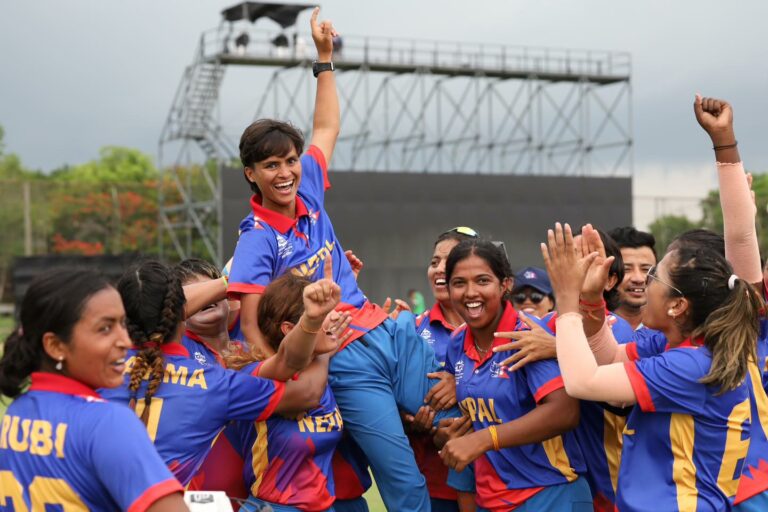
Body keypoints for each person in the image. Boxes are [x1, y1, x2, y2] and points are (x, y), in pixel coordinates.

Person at [226, 9, 469, 510]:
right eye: (270, 165)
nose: (285, 173)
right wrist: (282, 378)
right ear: (250, 173)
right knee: (404, 479)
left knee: (466, 422)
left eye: (290, 161)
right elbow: (250, 325)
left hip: (389, 332)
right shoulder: (256, 240)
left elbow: (327, 125)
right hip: (342, 359)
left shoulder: (308, 189)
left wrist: (323, 58)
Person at [544, 221, 761, 511]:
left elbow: (582, 382)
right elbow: (610, 358)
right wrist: (592, 299)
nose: (643, 282)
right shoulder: (677, 342)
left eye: (653, 275)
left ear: (678, 305)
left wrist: (566, 299)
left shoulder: (691, 365)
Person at [101, 258, 338, 487]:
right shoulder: (216, 384)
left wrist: (231, 282)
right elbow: (304, 392)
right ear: (184, 312)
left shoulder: (98, 369)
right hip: (177, 502)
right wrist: (317, 332)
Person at [0, 268, 187, 511]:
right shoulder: (109, 423)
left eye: (123, 324)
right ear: (55, 346)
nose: (126, 341)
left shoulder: (17, 411)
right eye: (105, 329)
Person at [439, 239, 590, 511]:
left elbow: (565, 412)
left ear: (505, 285)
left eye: (482, 281)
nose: (470, 292)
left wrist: (483, 439)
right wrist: (446, 433)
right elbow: (473, 419)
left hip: (549, 494)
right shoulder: (457, 342)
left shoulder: (527, 334)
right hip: (490, 498)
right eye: (459, 283)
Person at [225, 271, 351, 512]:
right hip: (272, 507)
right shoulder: (256, 376)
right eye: (323, 314)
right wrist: (322, 352)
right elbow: (305, 391)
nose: (335, 317)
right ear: (289, 329)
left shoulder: (321, 376)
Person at [411, 227, 480, 512]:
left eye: (449, 261)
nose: (439, 269)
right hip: (435, 487)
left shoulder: (505, 328)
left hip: (501, 482)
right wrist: (414, 423)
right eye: (434, 261)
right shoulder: (411, 330)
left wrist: (460, 381)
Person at [607, 227, 657, 330]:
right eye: (626, 269)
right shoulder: (590, 327)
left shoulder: (671, 331)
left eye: (646, 269)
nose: (638, 279)